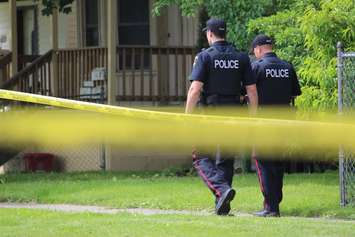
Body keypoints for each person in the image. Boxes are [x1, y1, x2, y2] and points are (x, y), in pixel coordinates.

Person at [185, 18, 258, 215]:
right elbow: (251, 91)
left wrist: (187, 116)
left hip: (210, 115)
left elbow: (195, 89)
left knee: (200, 156)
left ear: (210, 34)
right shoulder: (242, 57)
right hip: (234, 115)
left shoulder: (205, 57)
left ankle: (223, 190)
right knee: (225, 159)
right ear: (225, 33)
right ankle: (223, 204)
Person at [250, 34, 301, 217]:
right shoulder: (287, 66)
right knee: (277, 163)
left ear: (258, 49)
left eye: (254, 51)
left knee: (263, 162)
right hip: (284, 121)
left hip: (263, 122)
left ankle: (270, 207)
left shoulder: (256, 67)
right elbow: (294, 94)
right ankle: (274, 203)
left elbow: (248, 93)